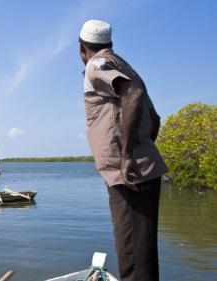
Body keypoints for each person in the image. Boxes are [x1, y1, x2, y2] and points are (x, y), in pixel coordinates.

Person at [78, 20, 168, 281]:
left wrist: (127, 156)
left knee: (133, 260)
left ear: (82, 48)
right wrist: (141, 150)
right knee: (143, 256)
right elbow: (155, 119)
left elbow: (134, 94)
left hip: (128, 175)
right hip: (140, 172)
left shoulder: (96, 65)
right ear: (110, 44)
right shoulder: (126, 66)